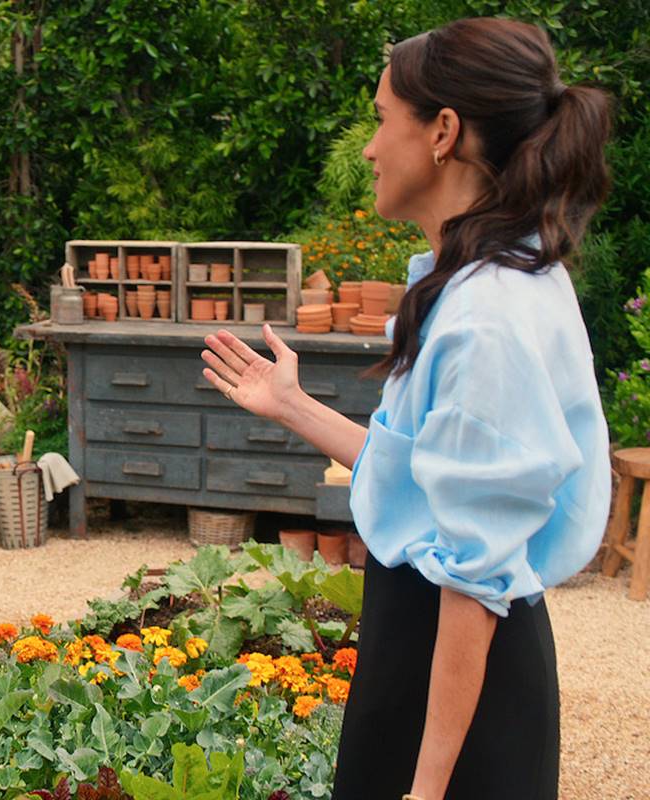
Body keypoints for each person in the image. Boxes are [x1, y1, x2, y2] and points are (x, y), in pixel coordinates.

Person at [201, 17, 611, 800]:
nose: (369, 146)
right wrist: (293, 406)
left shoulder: (486, 315)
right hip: (429, 657)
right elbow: (428, 479)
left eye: (384, 117)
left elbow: (473, 583)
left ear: (443, 133)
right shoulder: (485, 280)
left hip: (458, 692)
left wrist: (424, 792)